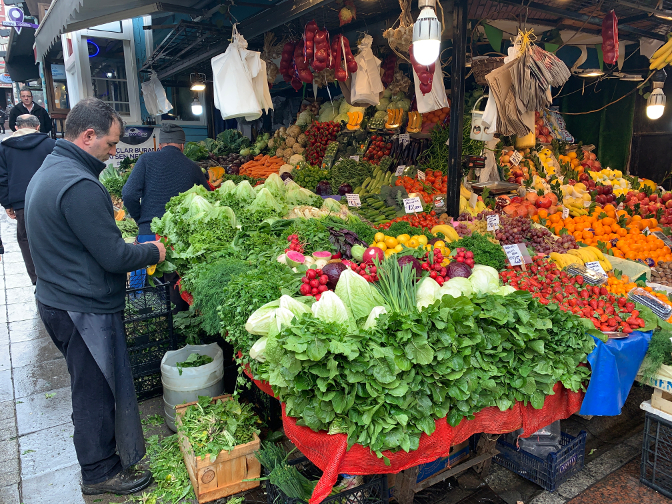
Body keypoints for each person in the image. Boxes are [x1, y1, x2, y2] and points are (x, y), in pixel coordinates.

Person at [24, 97, 166, 496]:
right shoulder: (79, 185)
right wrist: (154, 251)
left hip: (59, 297)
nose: (114, 151)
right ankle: (100, 472)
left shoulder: (52, 169)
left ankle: (102, 460)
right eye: (111, 143)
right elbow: (115, 256)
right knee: (94, 392)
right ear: (88, 136)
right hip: (80, 307)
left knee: (90, 386)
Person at [122, 123, 209, 311]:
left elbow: (128, 194)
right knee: (178, 292)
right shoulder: (193, 167)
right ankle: (178, 329)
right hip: (180, 241)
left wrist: (142, 220)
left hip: (149, 237)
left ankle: (151, 328)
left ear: (159, 145)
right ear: (183, 146)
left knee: (145, 297)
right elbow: (209, 198)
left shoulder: (146, 160)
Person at [0, 114, 56, 285]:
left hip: (21, 202)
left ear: (15, 128)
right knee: (53, 236)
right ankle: (57, 278)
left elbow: (2, 178)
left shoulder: (4, 147)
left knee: (26, 240)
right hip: (49, 200)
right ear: (38, 127)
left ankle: (38, 281)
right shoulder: (51, 144)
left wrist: (7, 203)